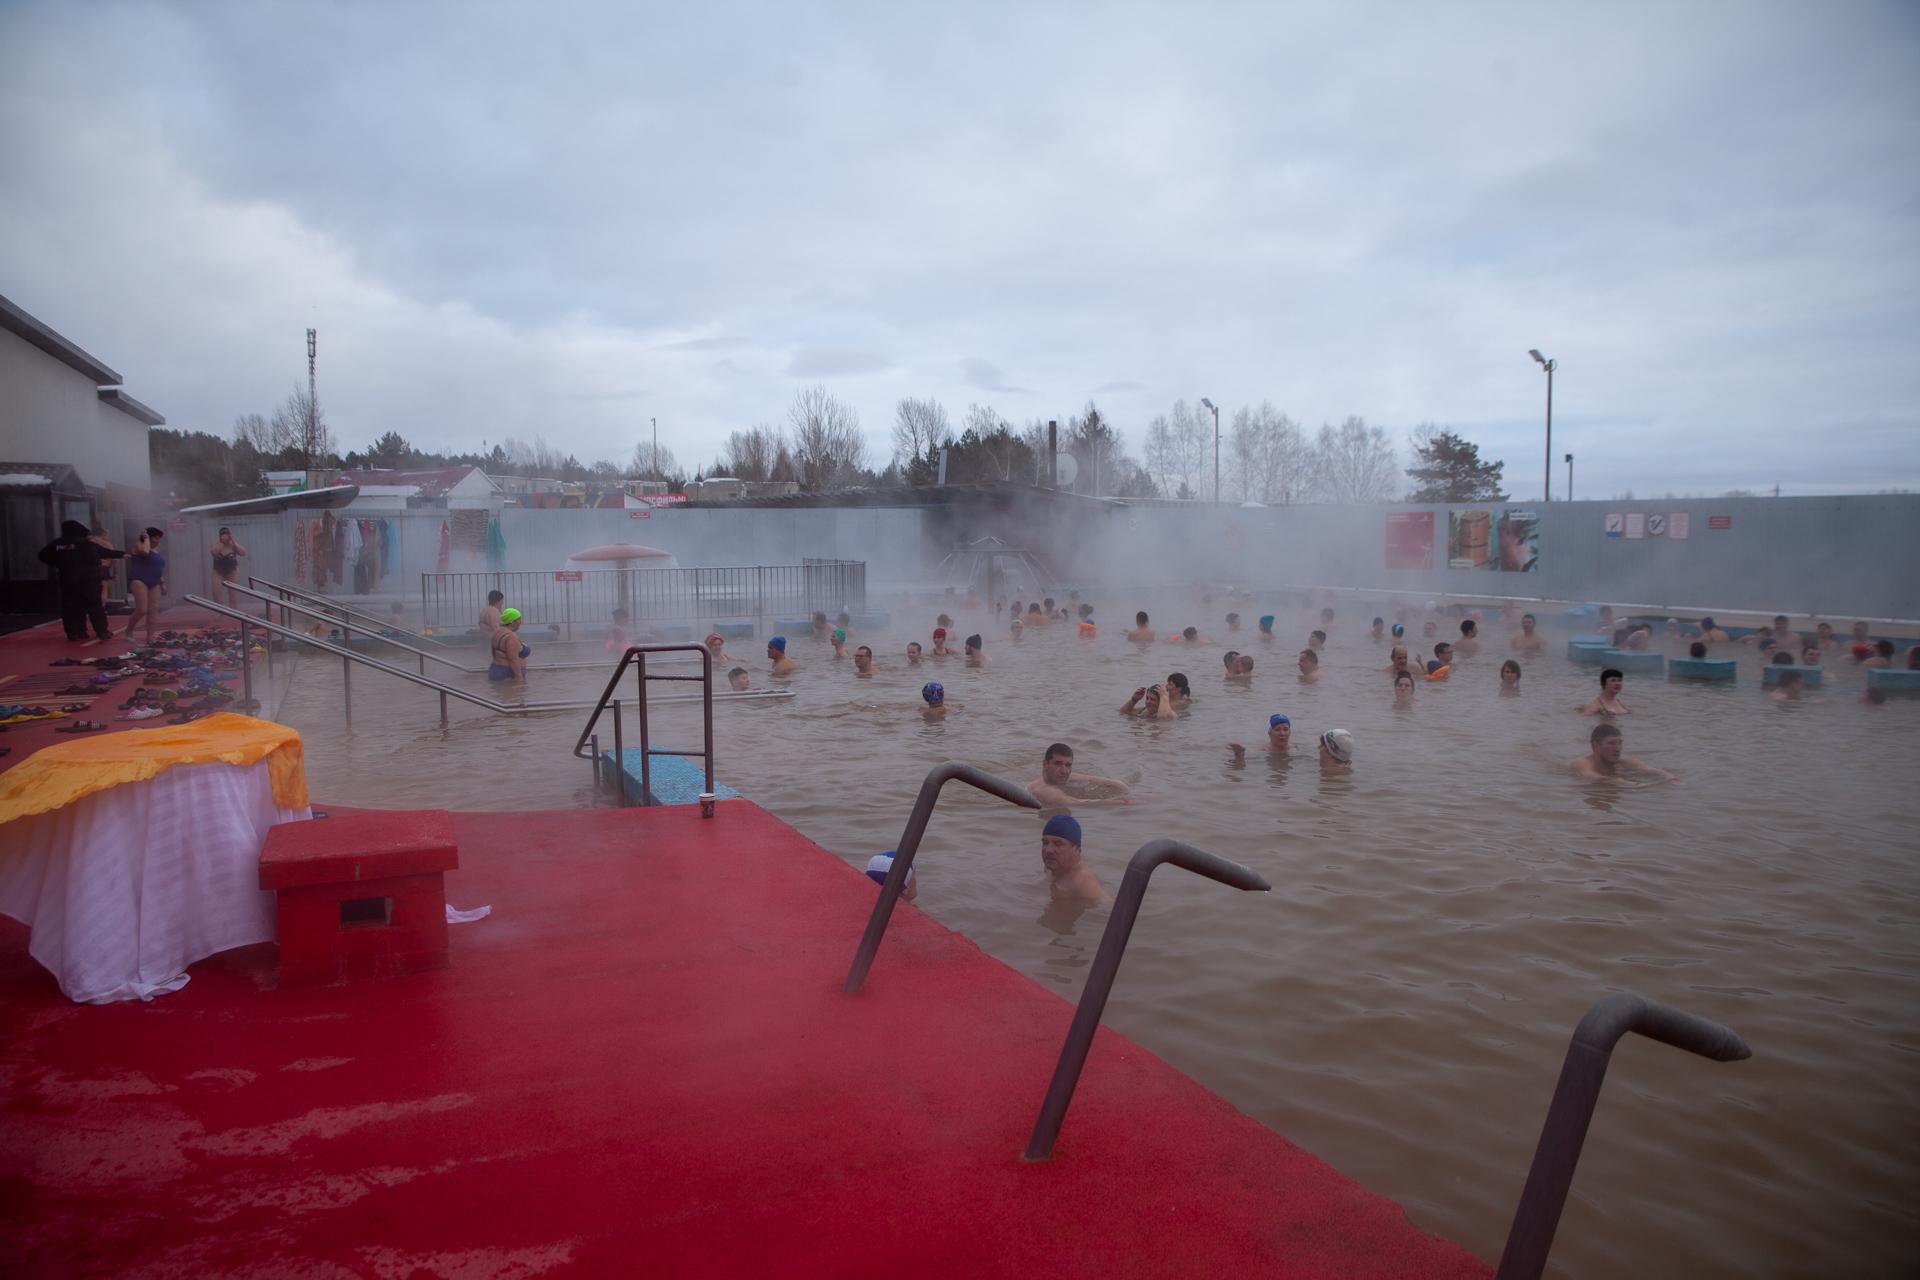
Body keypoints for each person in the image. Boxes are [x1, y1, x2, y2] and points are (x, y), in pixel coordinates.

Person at [38, 520, 125, 642]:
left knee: (70, 608)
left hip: (68, 580)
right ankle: (102, 632)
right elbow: (103, 552)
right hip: (89, 580)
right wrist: (123, 554)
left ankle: (74, 633)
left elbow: (43, 555)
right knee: (95, 607)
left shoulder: (58, 544)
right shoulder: (86, 544)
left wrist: (58, 562)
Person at [1029, 742, 1134, 807]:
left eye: (1068, 765)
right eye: (1058, 764)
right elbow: (1077, 803)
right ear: (1045, 764)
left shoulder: (1059, 776)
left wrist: (1129, 791)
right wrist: (1125, 802)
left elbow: (1101, 780)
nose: (1064, 771)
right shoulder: (1044, 790)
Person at [1571, 723, 1677, 782]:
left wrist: (1667, 775)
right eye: (1611, 743)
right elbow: (1591, 776)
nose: (1618, 749)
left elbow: (1649, 770)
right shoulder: (1582, 763)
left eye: (1620, 743)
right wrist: (1622, 782)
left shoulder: (1627, 762)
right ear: (1595, 745)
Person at [1039, 814, 1104, 904]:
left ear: (1077, 850)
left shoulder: (1082, 881)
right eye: (1045, 842)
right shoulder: (1051, 865)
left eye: (1058, 844)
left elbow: (1109, 908)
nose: (1048, 850)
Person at [122, 526, 167, 644]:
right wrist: (145, 539)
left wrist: (162, 583)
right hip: (139, 579)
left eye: (159, 538)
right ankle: (128, 631)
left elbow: (158, 568)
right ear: (149, 538)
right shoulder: (139, 546)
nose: (158, 541)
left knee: (153, 610)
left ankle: (150, 637)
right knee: (142, 609)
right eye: (156, 538)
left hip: (155, 582)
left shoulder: (157, 552)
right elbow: (145, 552)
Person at [1228, 712, 1294, 762]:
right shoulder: (1261, 750)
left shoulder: (1294, 749)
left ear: (1290, 732)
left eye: (1285, 729)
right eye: (1277, 729)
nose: (1282, 733)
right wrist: (1239, 755)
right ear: (1269, 732)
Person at [208, 526, 247, 606]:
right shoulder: (216, 543)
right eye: (223, 534)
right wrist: (222, 542)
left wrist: (233, 541)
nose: (225, 536)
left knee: (232, 592)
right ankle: (218, 610)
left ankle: (233, 610)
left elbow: (243, 553)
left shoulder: (233, 544)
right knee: (216, 591)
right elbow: (214, 553)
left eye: (227, 534)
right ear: (220, 536)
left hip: (232, 570)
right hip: (218, 570)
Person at [489, 607, 529, 680]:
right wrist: (519, 677)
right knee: (513, 691)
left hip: (496, 669)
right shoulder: (511, 637)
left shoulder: (497, 632)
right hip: (507, 673)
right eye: (519, 619)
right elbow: (513, 659)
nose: (521, 622)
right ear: (512, 621)